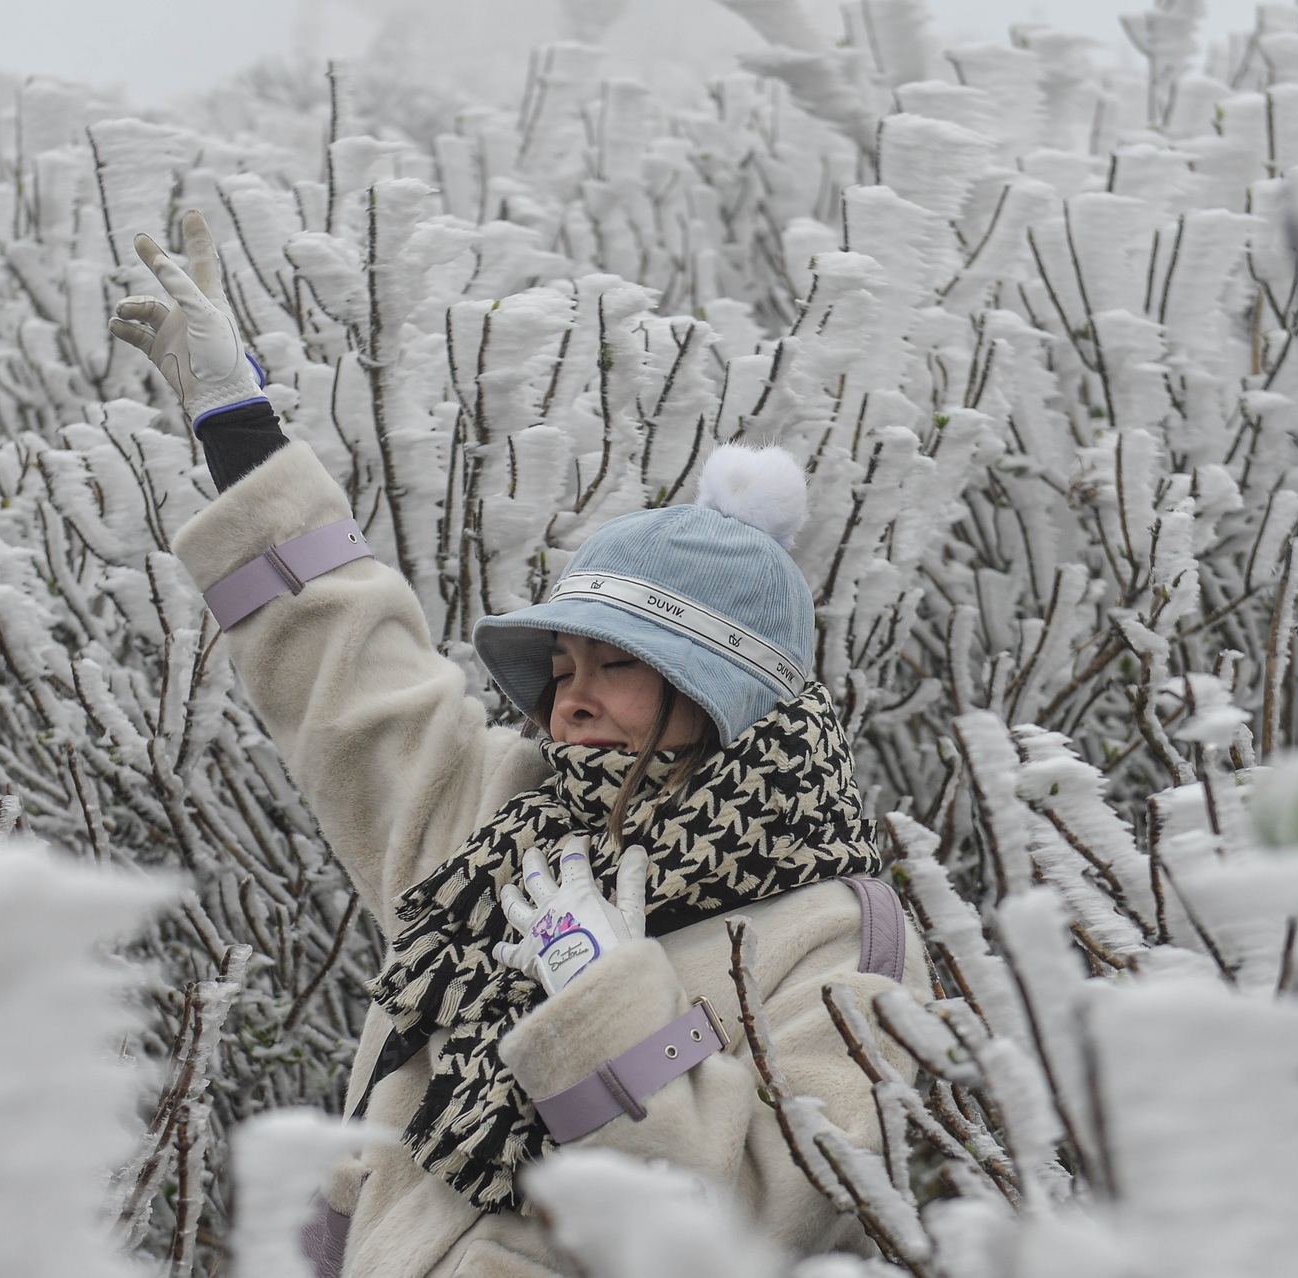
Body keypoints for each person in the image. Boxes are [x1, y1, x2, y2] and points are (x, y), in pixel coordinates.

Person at [110, 211, 927, 1278]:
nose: (568, 702)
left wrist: (603, 1004)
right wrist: (235, 423)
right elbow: (352, 676)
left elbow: (773, 1220)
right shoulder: (512, 833)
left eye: (617, 666)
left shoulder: (839, 940)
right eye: (563, 669)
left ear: (720, 695)